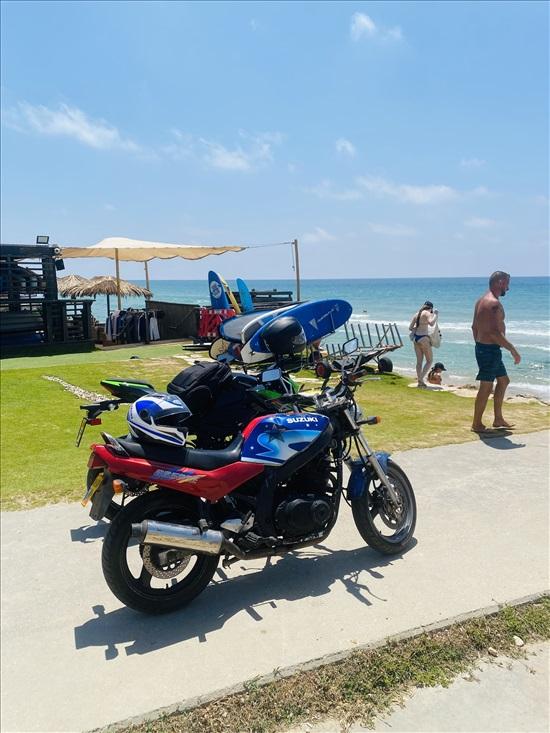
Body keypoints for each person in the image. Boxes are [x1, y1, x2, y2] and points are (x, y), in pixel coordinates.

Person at [471, 271, 521, 433]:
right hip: (489, 350)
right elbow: (494, 333)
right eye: (507, 283)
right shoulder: (493, 304)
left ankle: (498, 419)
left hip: (486, 348)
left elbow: (474, 327)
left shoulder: (481, 301)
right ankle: (476, 424)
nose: (508, 288)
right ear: (499, 282)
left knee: (504, 381)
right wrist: (512, 350)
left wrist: (480, 344)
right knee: (486, 387)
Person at [409, 300, 438, 387]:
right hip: (424, 338)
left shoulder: (417, 314)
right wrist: (436, 314)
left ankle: (420, 382)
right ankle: (420, 379)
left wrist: (418, 327)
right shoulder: (427, 313)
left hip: (416, 339)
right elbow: (431, 323)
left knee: (419, 362)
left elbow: (410, 328)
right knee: (429, 361)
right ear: (431, 308)